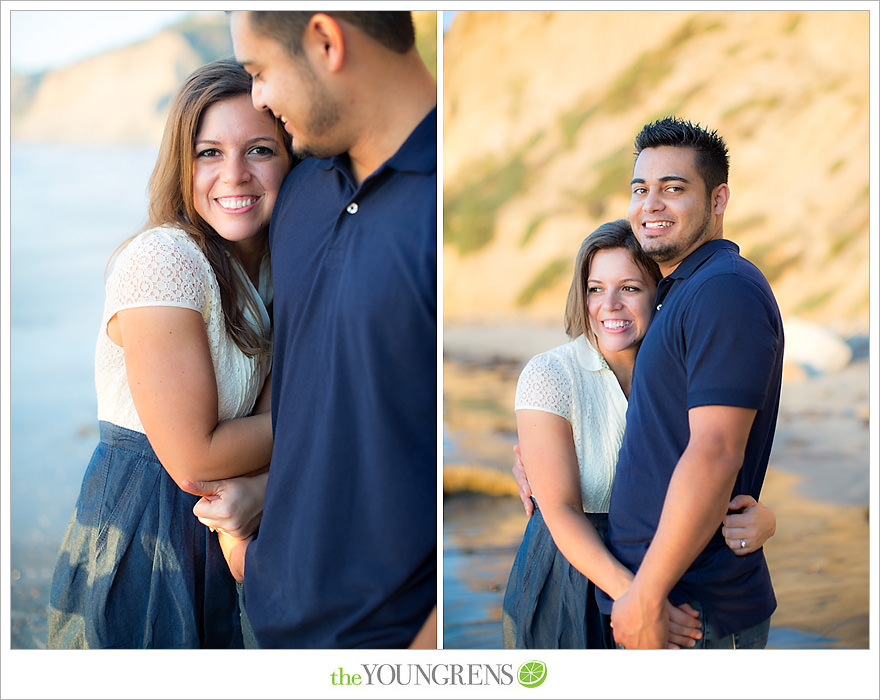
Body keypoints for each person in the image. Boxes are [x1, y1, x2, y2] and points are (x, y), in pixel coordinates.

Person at [199, 10, 437, 649]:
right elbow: (316, 394)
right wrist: (252, 539)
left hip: (385, 645)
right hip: (268, 611)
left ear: (327, 41)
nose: (259, 97)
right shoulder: (301, 193)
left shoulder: (442, 197)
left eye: (259, 71)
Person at [47, 58, 295, 648]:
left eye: (259, 149)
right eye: (209, 153)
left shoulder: (270, 270)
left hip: (224, 523)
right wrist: (327, 422)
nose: (233, 174)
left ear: (292, 159)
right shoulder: (165, 259)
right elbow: (194, 458)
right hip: (143, 524)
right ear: (180, 165)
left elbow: (265, 418)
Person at [503, 220, 776, 649]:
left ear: (659, 293)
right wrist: (638, 598)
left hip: (668, 573)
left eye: (629, 288)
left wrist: (763, 518)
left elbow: (714, 459)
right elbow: (560, 511)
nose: (609, 305)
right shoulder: (550, 374)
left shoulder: (683, 367)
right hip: (573, 579)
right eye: (595, 289)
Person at [595, 117, 785, 649]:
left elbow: (716, 452)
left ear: (718, 199)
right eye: (640, 189)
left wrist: (647, 594)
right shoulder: (680, 292)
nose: (650, 204)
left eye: (673, 188)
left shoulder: (722, 291)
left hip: (690, 613)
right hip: (664, 600)